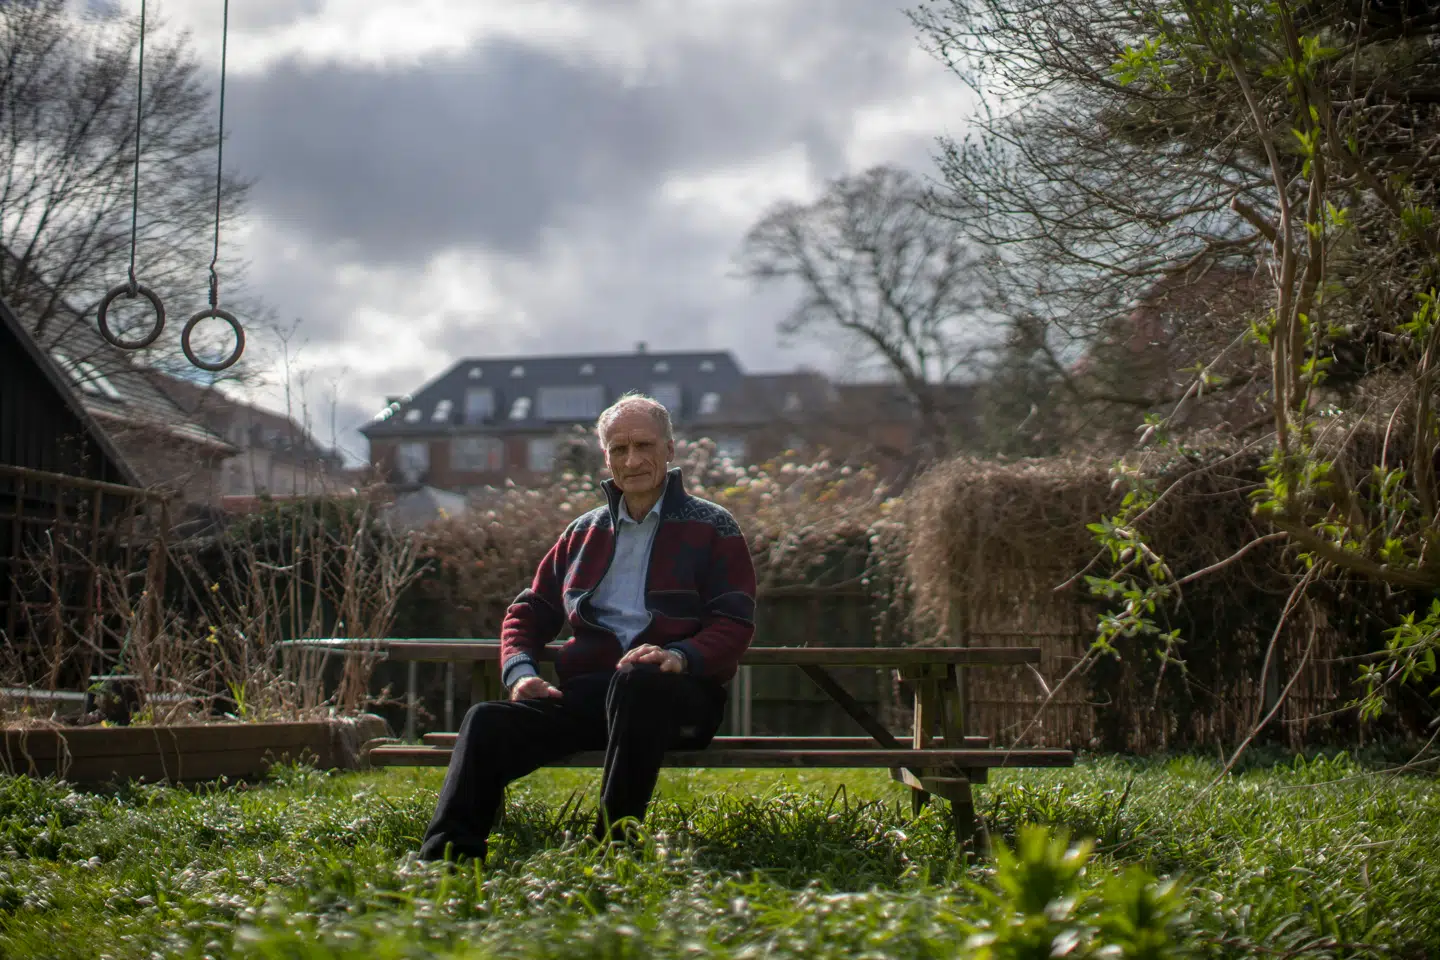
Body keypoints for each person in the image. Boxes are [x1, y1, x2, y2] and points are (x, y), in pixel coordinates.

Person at [418, 393, 757, 863]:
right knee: (486, 721)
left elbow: (734, 621)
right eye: (619, 449)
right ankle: (444, 863)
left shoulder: (714, 526)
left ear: (670, 450)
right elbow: (529, 611)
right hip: (593, 699)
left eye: (644, 446)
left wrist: (679, 656)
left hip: (678, 697)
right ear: (606, 457)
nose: (633, 460)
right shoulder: (582, 532)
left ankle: (611, 851)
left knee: (640, 681)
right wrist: (520, 673)